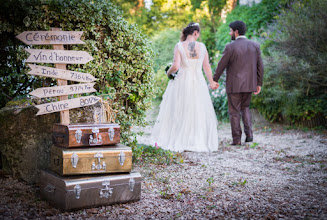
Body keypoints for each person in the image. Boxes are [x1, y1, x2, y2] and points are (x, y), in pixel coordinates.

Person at [151, 22, 219, 152]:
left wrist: (168, 72)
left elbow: (176, 66)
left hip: (182, 82)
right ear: (195, 33)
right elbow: (206, 67)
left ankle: (180, 138)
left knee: (179, 109)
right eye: (198, 34)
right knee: (197, 109)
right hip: (198, 82)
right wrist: (211, 82)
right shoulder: (202, 47)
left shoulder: (179, 46)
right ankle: (197, 139)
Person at [213, 20, 264, 145]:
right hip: (249, 85)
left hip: (234, 85)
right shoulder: (255, 46)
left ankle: (236, 140)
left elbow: (221, 65)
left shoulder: (230, 46)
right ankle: (249, 135)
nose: (230, 33)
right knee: (245, 108)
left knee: (234, 112)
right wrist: (259, 83)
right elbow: (260, 66)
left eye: (230, 30)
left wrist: (214, 79)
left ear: (236, 32)